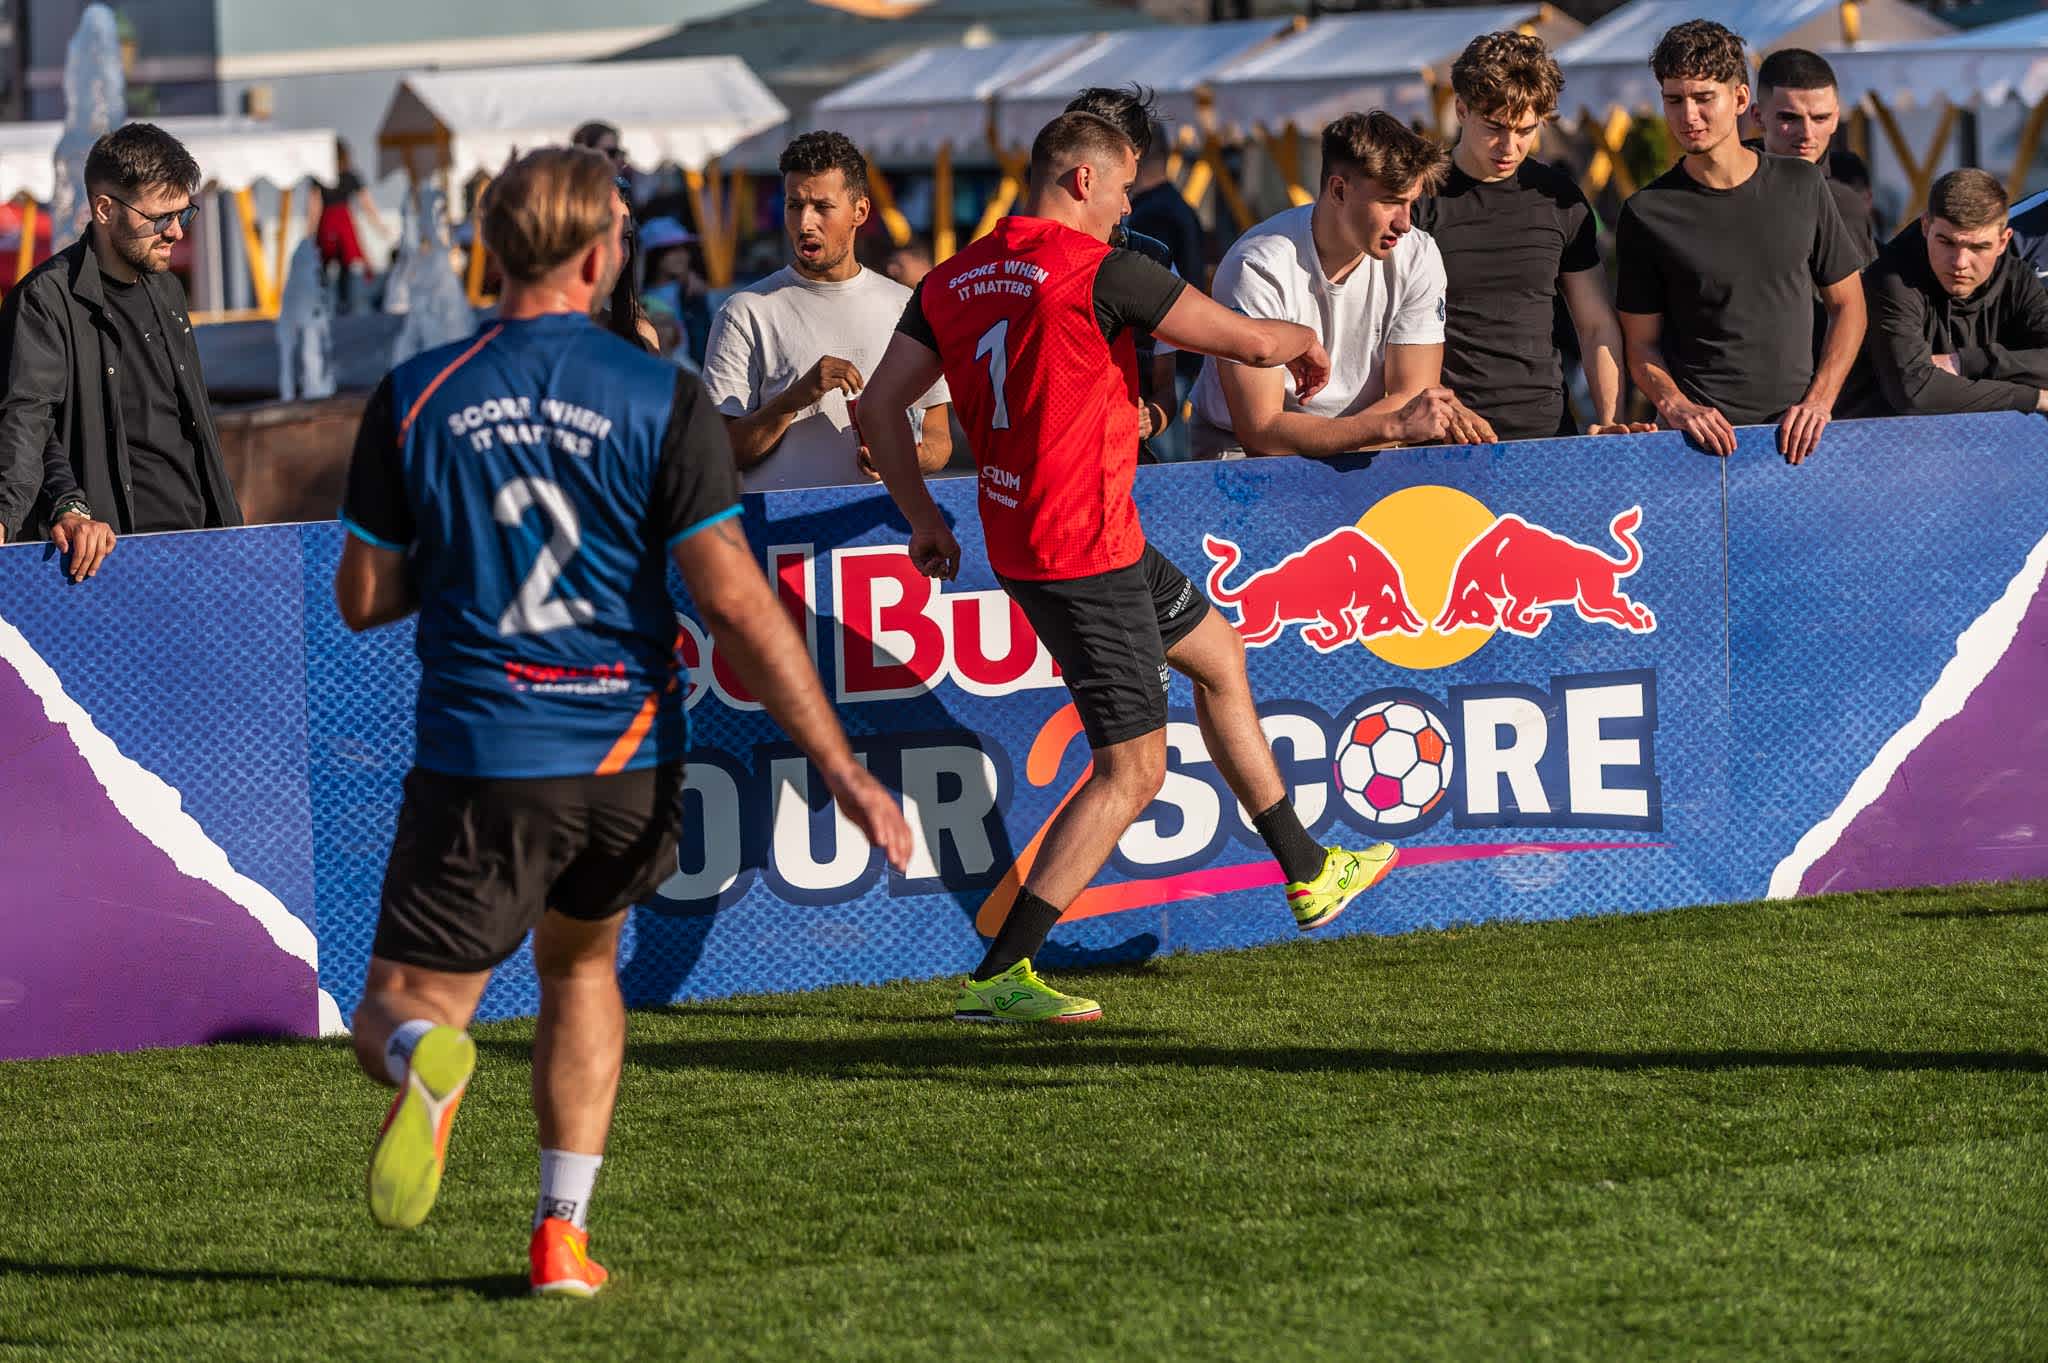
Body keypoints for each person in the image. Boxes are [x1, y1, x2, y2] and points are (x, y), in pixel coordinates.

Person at [334, 146, 912, 1296]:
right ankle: (561, 1233)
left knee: (397, 1010)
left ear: (490, 252)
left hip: (488, 754)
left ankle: (425, 1057)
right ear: (601, 259)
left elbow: (363, 596)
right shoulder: (660, 393)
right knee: (582, 967)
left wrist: (463, 556)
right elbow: (734, 603)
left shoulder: (420, 391)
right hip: (628, 761)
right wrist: (843, 769)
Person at [861, 111, 1398, 1026]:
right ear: (1081, 180)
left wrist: (922, 518)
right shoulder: (1099, 268)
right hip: (1084, 551)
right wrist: (1301, 338)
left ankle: (1307, 868)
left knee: (1218, 655)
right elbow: (1245, 343)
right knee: (1133, 771)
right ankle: (1001, 975)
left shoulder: (950, 278)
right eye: (1121, 189)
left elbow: (879, 409)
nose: (1126, 208)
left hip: (1043, 538)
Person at [1615, 20, 1866, 463]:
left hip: (1798, 441)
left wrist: (1819, 402)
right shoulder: (1646, 212)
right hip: (1697, 449)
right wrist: (1677, 406)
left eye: (1703, 98)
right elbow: (1640, 345)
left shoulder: (1802, 183)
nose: (1688, 116)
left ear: (1740, 99)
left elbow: (1849, 306)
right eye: (1674, 100)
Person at [0, 121, 239, 579]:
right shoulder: (45, 300)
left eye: (184, 214)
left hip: (200, 552)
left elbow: (192, 428)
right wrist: (63, 506)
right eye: (160, 218)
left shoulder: (168, 291)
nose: (176, 233)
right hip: (109, 566)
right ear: (105, 209)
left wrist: (231, 534)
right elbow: (27, 424)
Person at [1188, 111, 1486, 458]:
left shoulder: (1418, 254)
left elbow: (1412, 397)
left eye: (1411, 202)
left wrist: (1383, 427)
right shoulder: (1258, 265)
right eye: (1391, 201)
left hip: (1365, 438)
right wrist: (1390, 425)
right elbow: (1262, 432)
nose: (1405, 223)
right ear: (1339, 190)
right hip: (1245, 451)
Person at [1416, 32, 1646, 441]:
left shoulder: (1559, 198)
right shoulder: (1418, 197)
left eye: (1526, 130)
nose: (1510, 146)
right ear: (1461, 110)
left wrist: (1611, 418)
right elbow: (1384, 326)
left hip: (1544, 434)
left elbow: (1595, 325)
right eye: (1495, 127)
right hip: (1445, 436)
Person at [700, 131, 952, 492]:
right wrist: (795, 398)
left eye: (822, 207)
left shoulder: (905, 305)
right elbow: (721, 452)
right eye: (794, 205)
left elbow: (938, 438)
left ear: (860, 212)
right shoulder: (745, 312)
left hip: (881, 522)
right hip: (786, 526)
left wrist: (906, 457)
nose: (805, 223)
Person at [1864, 169, 2048, 416]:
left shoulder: (2018, 278)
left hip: (1983, 436)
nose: (1960, 262)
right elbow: (1915, 392)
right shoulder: (1891, 278)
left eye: (1978, 247)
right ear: (1926, 226)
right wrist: (2033, 397)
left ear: (2003, 241)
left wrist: (1964, 362)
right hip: (1877, 435)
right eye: (1946, 242)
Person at [1752, 49, 1877, 262]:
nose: (1807, 134)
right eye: (1790, 118)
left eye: (1820, 118)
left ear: (1836, 119)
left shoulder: (1844, 205)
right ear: (1757, 117)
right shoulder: (1723, 184)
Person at [311, 139, 388, 315]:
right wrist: (379, 226)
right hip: (343, 222)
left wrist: (309, 233)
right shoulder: (351, 176)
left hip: (326, 222)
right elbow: (367, 203)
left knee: (322, 265)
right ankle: (343, 301)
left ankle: (322, 302)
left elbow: (314, 206)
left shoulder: (320, 178)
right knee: (347, 264)